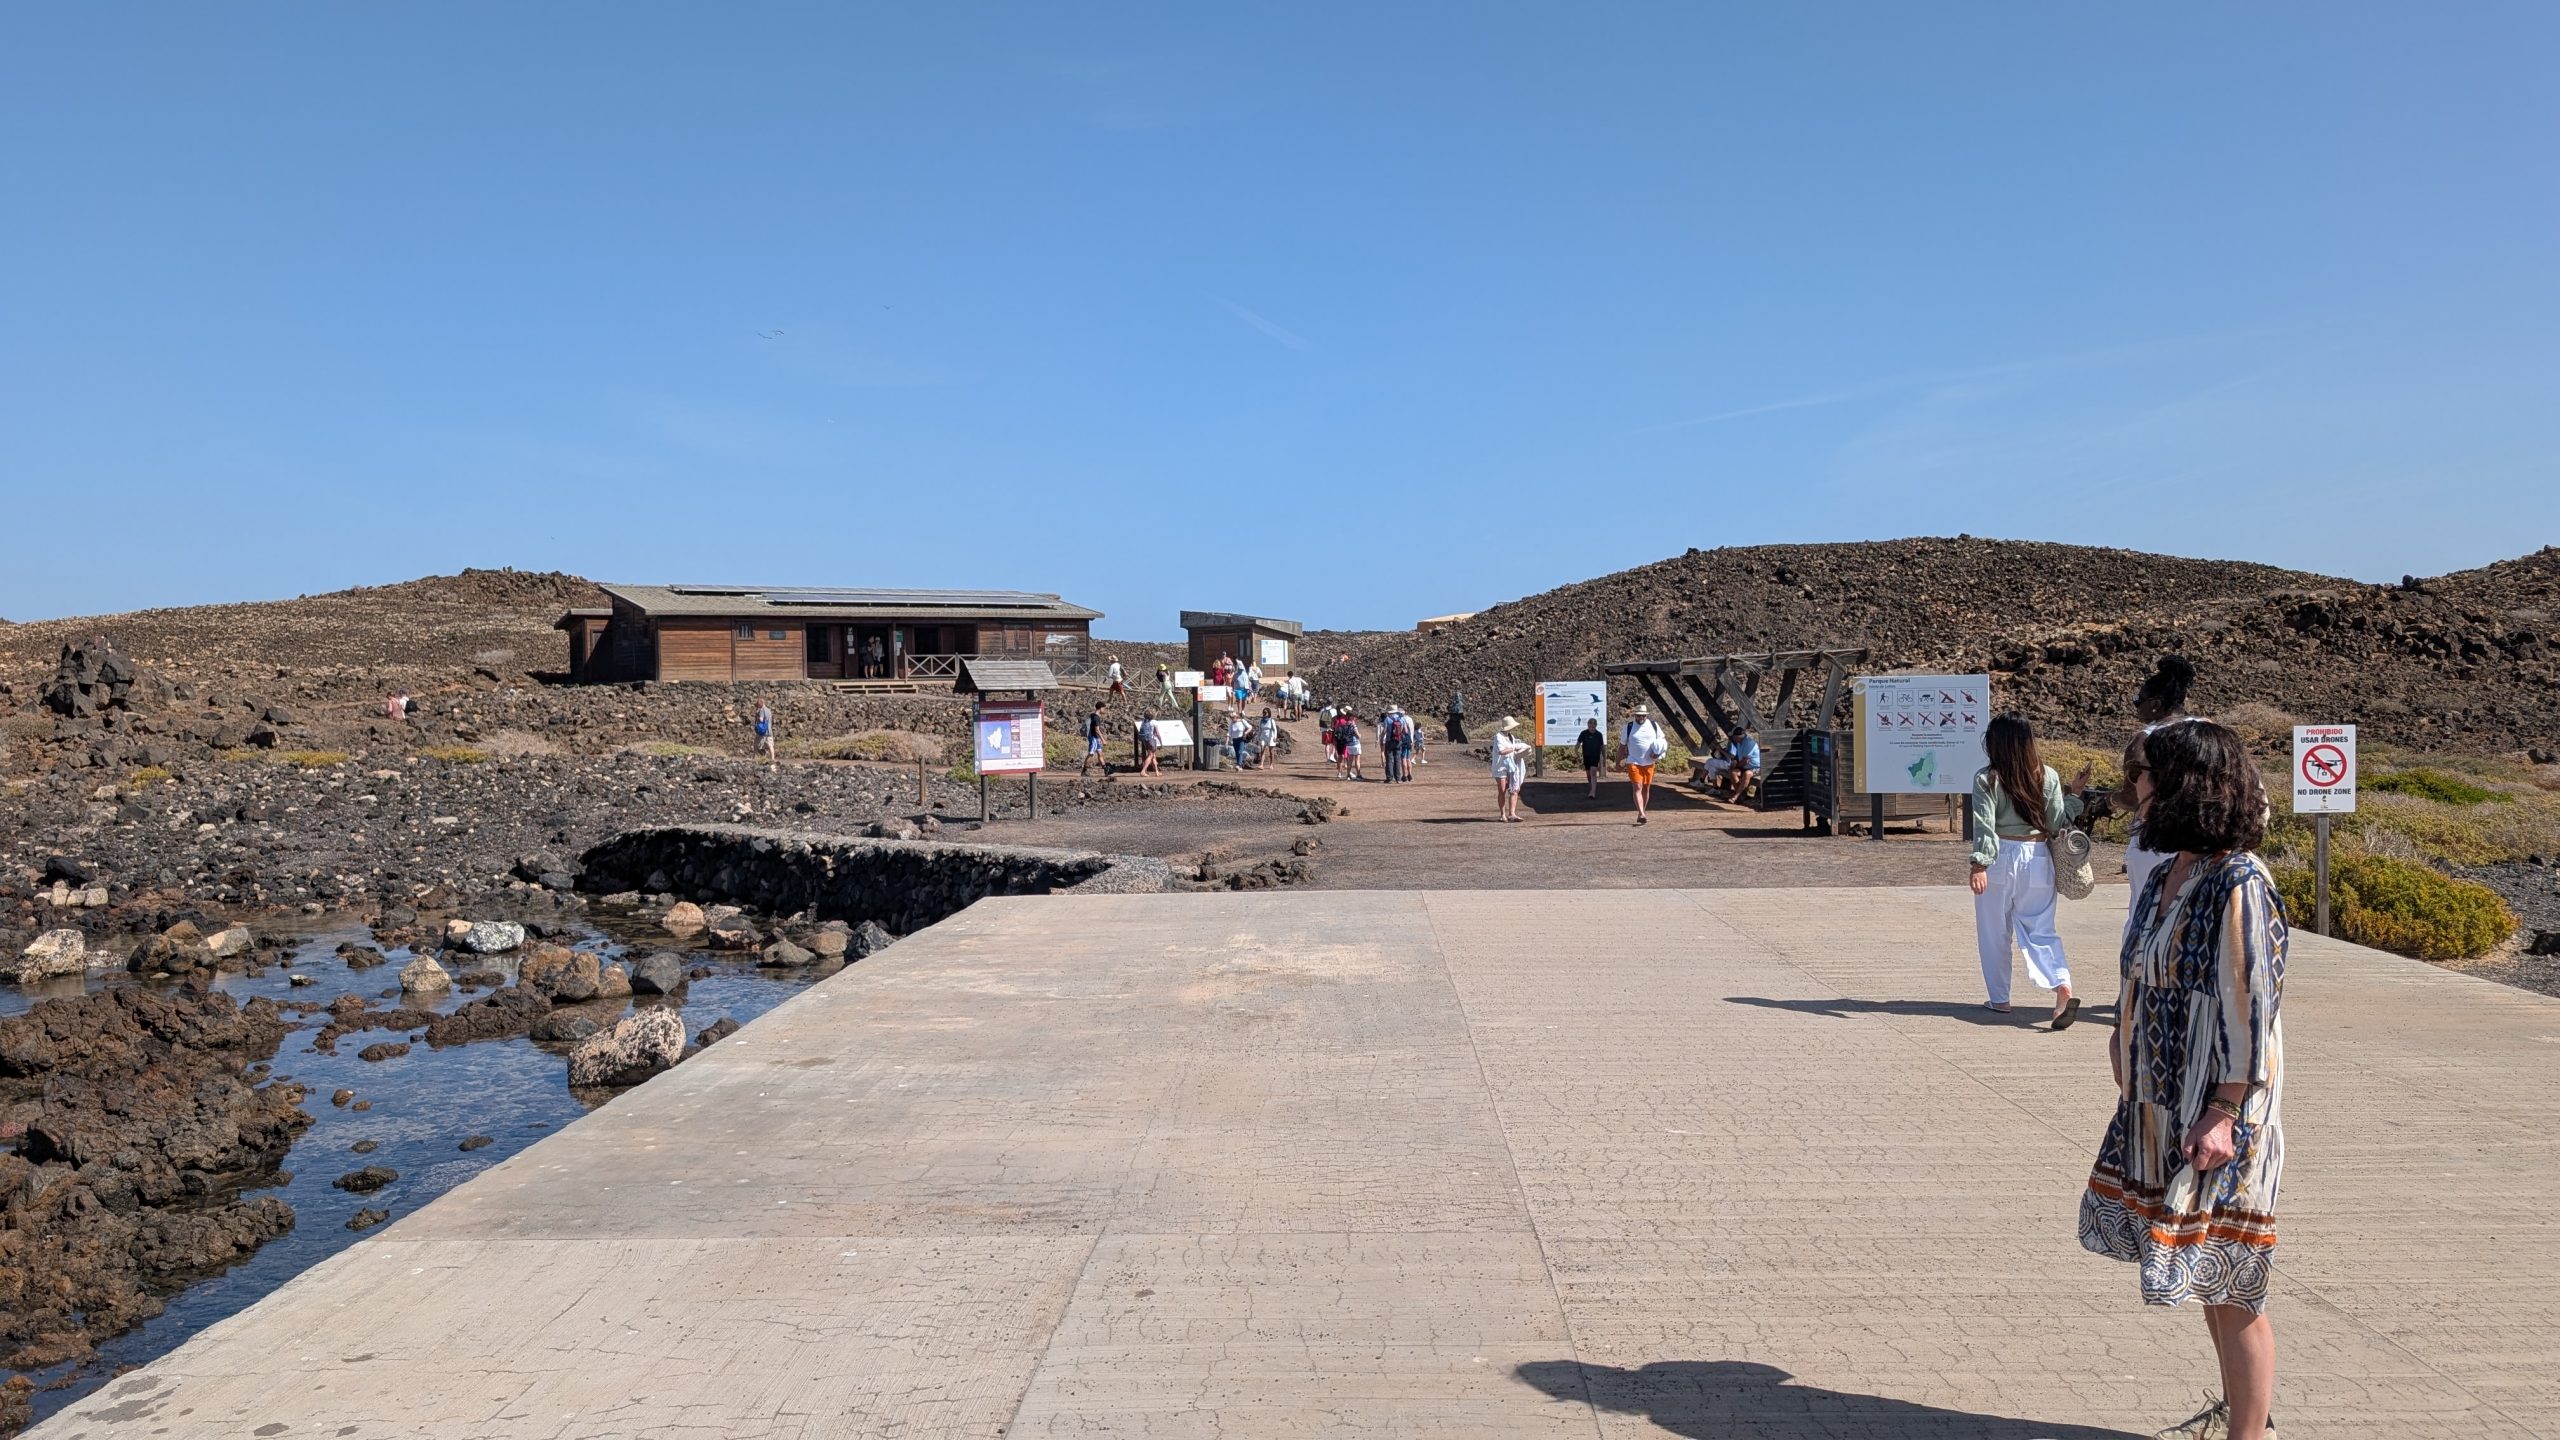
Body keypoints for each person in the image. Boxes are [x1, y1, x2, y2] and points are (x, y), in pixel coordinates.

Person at [2080, 719, 2287, 1440]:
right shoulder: (2175, 868)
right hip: (2164, 1104)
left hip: (2218, 1114)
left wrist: (2227, 1108)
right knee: (2206, 1277)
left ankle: (2248, 1435)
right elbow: (2142, 968)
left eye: (2148, 774)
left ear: (2182, 785)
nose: (2135, 787)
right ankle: (2240, 1418)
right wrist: (2121, 1033)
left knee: (2232, 1284)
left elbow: (2249, 1002)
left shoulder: (2237, 880)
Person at [1967, 715, 2093, 1024]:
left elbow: (1984, 825)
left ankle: (2000, 999)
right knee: (2041, 929)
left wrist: (1979, 863)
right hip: (2037, 857)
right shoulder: (2046, 775)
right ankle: (2061, 984)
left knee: (1994, 932)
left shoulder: (1987, 779)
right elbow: (2055, 823)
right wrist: (2074, 797)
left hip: (1999, 856)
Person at [2123, 655, 2200, 931]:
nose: (2136, 708)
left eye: (2138, 700)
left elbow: (2133, 797)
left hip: (2155, 840)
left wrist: (2109, 800)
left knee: (2145, 919)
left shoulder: (2146, 738)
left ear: (2155, 705)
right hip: (2201, 838)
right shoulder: (2211, 732)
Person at [1620, 703, 1669, 825]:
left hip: (1649, 763)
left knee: (1646, 788)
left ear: (1646, 715)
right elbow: (1622, 746)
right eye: (1638, 715)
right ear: (1635, 715)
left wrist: (1658, 754)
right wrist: (1618, 762)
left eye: (1643, 716)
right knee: (1637, 787)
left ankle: (1642, 811)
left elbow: (1663, 742)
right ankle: (1641, 813)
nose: (1640, 718)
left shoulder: (1654, 725)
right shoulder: (1628, 727)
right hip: (1633, 761)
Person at [1490, 716, 1530, 822]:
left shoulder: (1511, 737)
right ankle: (1502, 814)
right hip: (1500, 767)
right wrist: (1514, 748)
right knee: (1502, 790)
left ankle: (1512, 813)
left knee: (1514, 788)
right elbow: (1501, 751)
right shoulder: (1498, 736)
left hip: (1511, 765)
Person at [1723, 727, 1763, 803]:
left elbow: (1746, 760)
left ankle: (1736, 796)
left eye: (1733, 736)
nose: (1732, 738)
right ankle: (1742, 796)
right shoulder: (1738, 743)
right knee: (1733, 773)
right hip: (1745, 766)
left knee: (1747, 774)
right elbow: (1739, 758)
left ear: (1737, 736)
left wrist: (1737, 766)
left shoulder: (1749, 743)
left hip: (1755, 767)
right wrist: (1734, 764)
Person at [1379, 705, 1413, 782]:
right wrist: (1401, 735)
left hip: (1389, 741)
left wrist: (1381, 738)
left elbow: (1384, 731)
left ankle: (1389, 778)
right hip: (1399, 741)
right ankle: (1398, 778)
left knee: (1389, 759)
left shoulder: (1387, 719)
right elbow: (1406, 731)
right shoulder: (1401, 718)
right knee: (1397, 759)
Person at [1577, 717, 1607, 798]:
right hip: (1586, 756)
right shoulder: (1583, 733)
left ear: (1596, 726)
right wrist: (1576, 752)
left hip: (1595, 756)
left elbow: (1602, 747)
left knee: (1593, 772)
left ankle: (1593, 792)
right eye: (1590, 727)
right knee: (1588, 773)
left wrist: (1604, 758)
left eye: (1593, 727)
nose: (1592, 728)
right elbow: (1578, 743)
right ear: (1588, 725)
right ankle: (1591, 786)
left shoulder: (1599, 735)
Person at [1078, 702, 1106, 776]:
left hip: (1096, 737)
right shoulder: (1096, 717)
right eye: (1104, 708)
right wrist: (1103, 739)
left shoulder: (1092, 715)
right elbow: (1097, 730)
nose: (1104, 710)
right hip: (1094, 737)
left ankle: (1105, 769)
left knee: (1100, 753)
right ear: (1100, 708)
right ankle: (1084, 769)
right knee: (1091, 753)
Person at [754, 697, 777, 769]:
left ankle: (757, 758)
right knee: (770, 745)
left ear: (760, 704)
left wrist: (757, 718)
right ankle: (772, 760)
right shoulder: (769, 710)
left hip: (762, 731)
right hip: (769, 731)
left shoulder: (761, 710)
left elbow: (761, 719)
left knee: (756, 745)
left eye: (757, 705)